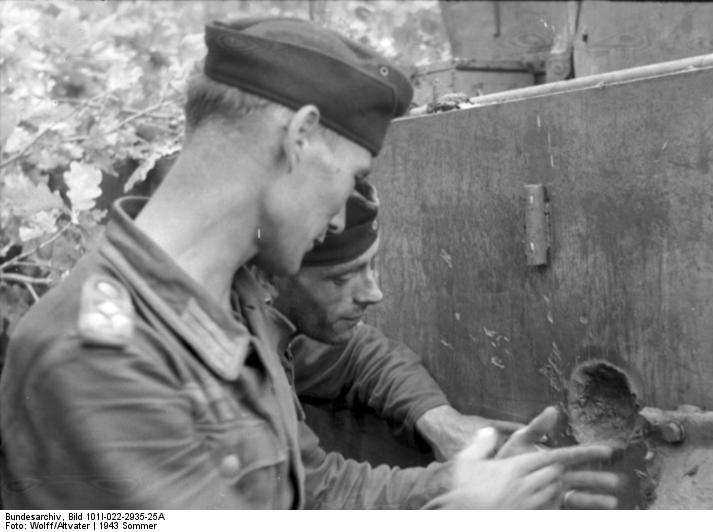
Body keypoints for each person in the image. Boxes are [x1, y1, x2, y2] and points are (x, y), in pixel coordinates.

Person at [0, 17, 619, 510]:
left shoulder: (231, 302)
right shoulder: (96, 353)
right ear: (299, 138)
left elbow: (315, 492)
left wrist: (458, 483)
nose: (335, 220)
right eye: (352, 176)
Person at [271, 182, 523, 462]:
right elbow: (322, 491)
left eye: (372, 266)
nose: (374, 294)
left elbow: (358, 354)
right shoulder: (236, 362)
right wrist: (460, 483)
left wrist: (438, 419)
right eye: (341, 279)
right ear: (271, 278)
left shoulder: (282, 325)